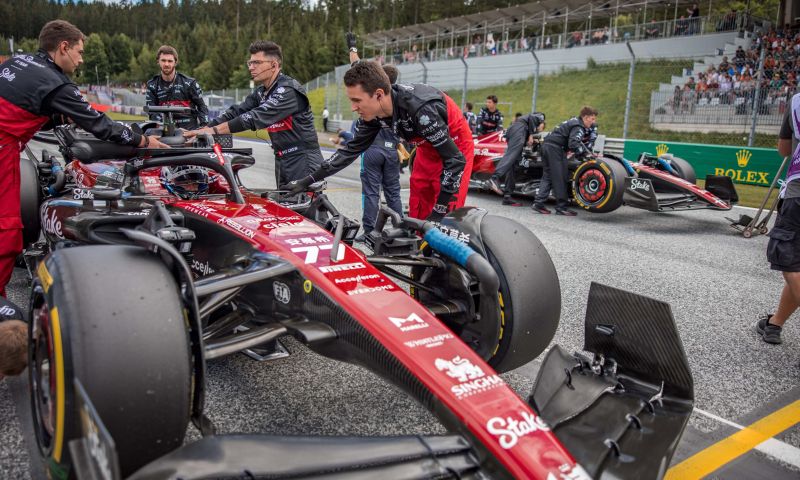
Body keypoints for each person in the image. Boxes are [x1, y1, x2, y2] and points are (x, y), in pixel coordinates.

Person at [0, 20, 168, 299]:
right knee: (6, 231)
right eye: (79, 52)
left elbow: (20, 109)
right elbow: (101, 125)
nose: (81, 60)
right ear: (63, 47)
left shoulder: (18, 62)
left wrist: (53, 116)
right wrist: (143, 140)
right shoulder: (56, 83)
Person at [282, 61, 473, 222]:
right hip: (425, 146)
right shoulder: (373, 115)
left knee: (444, 217)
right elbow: (348, 152)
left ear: (379, 94)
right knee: (418, 208)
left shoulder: (421, 109)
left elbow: (455, 160)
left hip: (456, 146)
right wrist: (306, 181)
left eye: (357, 100)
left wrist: (439, 213)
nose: (354, 107)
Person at [185, 40, 322, 188]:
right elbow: (236, 112)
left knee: (305, 209)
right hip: (283, 159)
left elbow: (254, 117)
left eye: (256, 62)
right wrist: (203, 129)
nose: (251, 67)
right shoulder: (261, 92)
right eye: (249, 63)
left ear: (273, 65)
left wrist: (213, 131)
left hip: (303, 159)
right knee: (285, 206)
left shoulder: (288, 90)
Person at [757, 95, 800, 344]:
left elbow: (784, 150)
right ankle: (774, 324)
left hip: (797, 193)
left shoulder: (796, 101)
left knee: (791, 264)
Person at [532, 106, 599, 216]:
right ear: (586, 118)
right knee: (561, 177)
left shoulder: (573, 121)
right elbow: (573, 143)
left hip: (546, 146)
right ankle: (561, 207)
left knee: (548, 176)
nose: (593, 122)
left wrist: (584, 152)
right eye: (592, 119)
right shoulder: (578, 126)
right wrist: (585, 154)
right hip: (555, 149)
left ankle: (538, 203)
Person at [485, 112, 546, 206]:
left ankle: (507, 196)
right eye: (542, 126)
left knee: (513, 164)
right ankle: (494, 178)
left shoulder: (526, 127)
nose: (540, 129)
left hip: (515, 130)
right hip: (518, 129)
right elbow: (532, 118)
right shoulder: (539, 117)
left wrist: (529, 139)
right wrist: (531, 134)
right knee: (511, 155)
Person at [145, 45, 209, 131]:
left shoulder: (190, 83)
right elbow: (151, 111)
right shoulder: (152, 85)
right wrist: (162, 125)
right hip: (165, 130)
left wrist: (204, 125)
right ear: (158, 61)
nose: (166, 64)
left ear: (175, 62)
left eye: (170, 61)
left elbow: (202, 107)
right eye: (163, 60)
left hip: (189, 131)